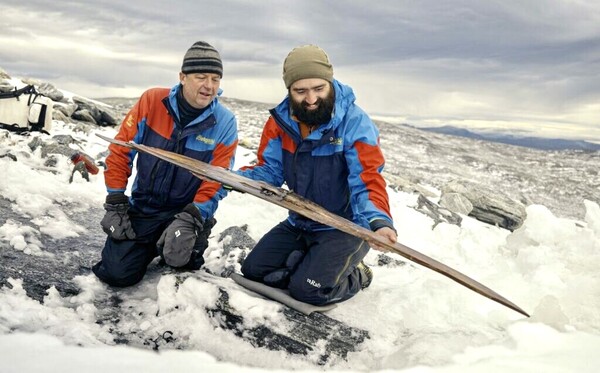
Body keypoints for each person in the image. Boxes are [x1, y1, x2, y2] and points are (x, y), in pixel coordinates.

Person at [237, 44, 397, 305]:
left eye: (318, 89)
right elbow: (270, 170)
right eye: (300, 91)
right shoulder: (280, 123)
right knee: (254, 271)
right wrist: (235, 179)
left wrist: (378, 221)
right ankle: (310, 262)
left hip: (346, 228)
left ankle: (358, 275)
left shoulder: (355, 123)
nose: (311, 99)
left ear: (330, 83)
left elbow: (367, 177)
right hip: (301, 222)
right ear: (289, 91)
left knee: (308, 291)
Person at [93, 41, 238, 287]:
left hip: (185, 212)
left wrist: (195, 215)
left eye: (215, 79)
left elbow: (219, 178)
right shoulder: (152, 101)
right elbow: (121, 150)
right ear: (182, 77)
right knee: (116, 273)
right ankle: (151, 242)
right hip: (145, 207)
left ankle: (193, 235)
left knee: (179, 263)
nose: (209, 86)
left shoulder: (224, 122)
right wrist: (116, 201)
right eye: (201, 77)